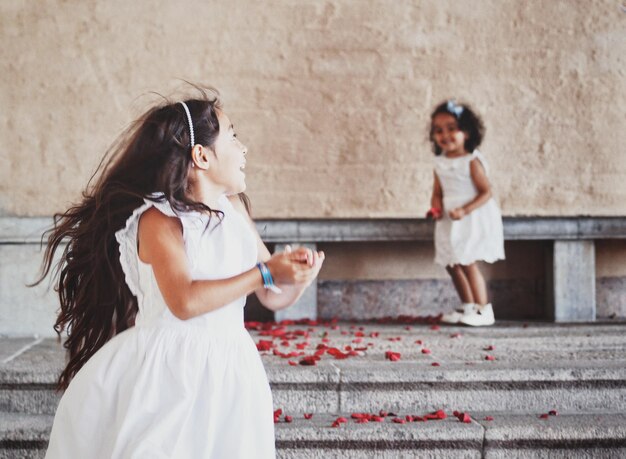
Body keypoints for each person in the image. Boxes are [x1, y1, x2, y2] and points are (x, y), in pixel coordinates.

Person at [36, 88, 324, 458]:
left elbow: (271, 294)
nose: (244, 148)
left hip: (232, 368)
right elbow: (184, 300)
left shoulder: (234, 210)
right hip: (168, 370)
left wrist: (298, 277)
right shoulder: (159, 220)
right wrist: (265, 271)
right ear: (202, 155)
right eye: (233, 135)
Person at [426, 99, 504, 326]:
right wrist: (435, 207)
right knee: (452, 263)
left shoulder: (472, 161)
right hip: (449, 219)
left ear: (467, 133)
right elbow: (437, 192)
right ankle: (468, 306)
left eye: (452, 129)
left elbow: (486, 192)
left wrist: (465, 209)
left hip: (470, 217)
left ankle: (483, 309)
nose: (445, 135)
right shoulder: (439, 163)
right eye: (438, 130)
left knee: (467, 261)